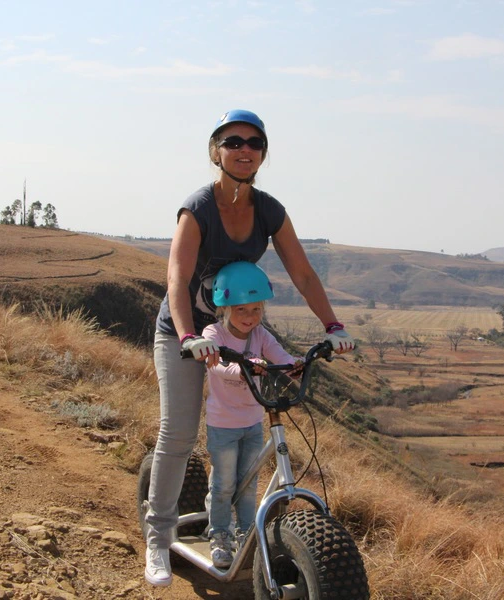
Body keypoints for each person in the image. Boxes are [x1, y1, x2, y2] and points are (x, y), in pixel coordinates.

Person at [144, 109, 354, 587]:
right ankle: (158, 537)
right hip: (185, 331)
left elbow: (302, 273)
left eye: (254, 143)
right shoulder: (197, 208)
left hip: (239, 329)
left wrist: (333, 325)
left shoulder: (268, 210)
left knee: (257, 408)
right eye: (233, 141)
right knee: (177, 435)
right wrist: (186, 336)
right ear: (216, 151)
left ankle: (234, 522)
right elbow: (177, 278)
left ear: (262, 154)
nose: (244, 150)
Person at [202, 261, 302, 568]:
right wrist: (244, 368)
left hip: (251, 422)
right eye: (242, 310)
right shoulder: (213, 332)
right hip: (223, 424)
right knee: (224, 484)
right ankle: (219, 534)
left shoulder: (260, 335)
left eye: (256, 310)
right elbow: (216, 365)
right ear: (226, 308)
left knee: (248, 484)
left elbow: (279, 356)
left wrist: (293, 365)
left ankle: (246, 532)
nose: (250, 317)